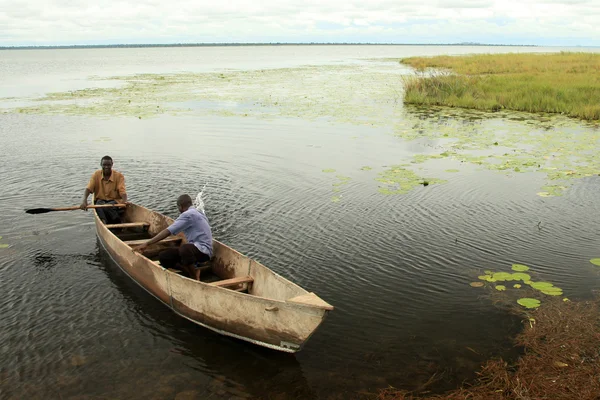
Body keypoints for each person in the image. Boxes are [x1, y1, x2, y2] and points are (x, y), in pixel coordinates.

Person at [133, 194, 213, 281]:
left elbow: (168, 231)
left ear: (181, 206)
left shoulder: (188, 215)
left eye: (178, 208)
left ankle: (194, 277)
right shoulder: (199, 212)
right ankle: (192, 271)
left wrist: (147, 243)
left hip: (203, 252)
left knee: (184, 249)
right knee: (164, 257)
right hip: (197, 250)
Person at [80, 155, 129, 224]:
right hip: (100, 201)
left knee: (107, 207)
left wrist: (124, 202)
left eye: (108, 165)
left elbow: (122, 191)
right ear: (101, 165)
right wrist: (84, 200)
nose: (106, 167)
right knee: (99, 206)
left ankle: (118, 221)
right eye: (104, 165)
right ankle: (104, 222)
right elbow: (88, 189)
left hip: (114, 201)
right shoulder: (96, 175)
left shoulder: (119, 176)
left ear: (112, 165)